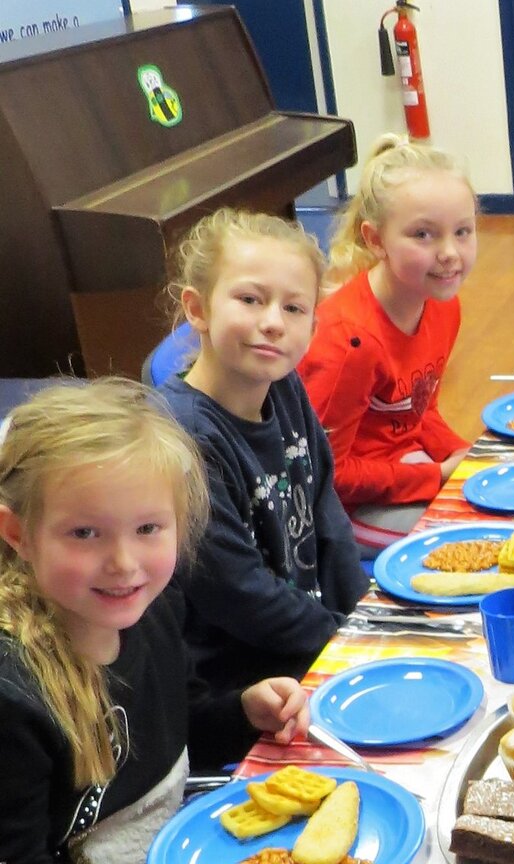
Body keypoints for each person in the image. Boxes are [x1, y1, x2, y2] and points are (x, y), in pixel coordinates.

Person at [0, 379, 308, 863]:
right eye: (84, 532)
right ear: (18, 534)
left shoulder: (153, 609)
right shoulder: (14, 700)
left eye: (147, 528)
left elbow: (173, 733)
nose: (124, 563)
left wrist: (244, 712)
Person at [158, 209, 367, 730]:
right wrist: (344, 640)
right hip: (251, 692)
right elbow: (239, 592)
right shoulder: (182, 439)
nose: (273, 322)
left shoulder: (283, 384)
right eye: (250, 299)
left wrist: (364, 622)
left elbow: (326, 514)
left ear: (313, 324)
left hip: (316, 645)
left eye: (294, 308)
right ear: (198, 308)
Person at [299, 135, 477, 555]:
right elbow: (326, 475)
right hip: (343, 509)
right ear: (375, 240)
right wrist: (435, 476)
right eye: (423, 235)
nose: (450, 253)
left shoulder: (441, 305)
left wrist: (464, 454)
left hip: (400, 472)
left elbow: (419, 409)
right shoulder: (348, 342)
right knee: (469, 548)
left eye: (463, 231)